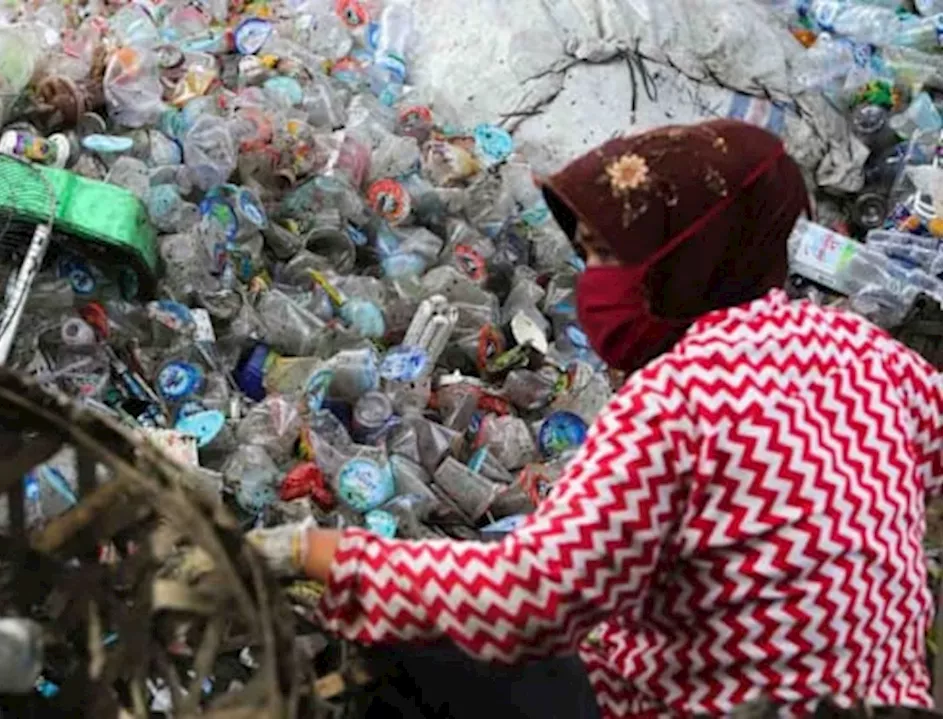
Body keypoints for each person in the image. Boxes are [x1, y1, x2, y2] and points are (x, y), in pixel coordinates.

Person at [250, 119, 944, 717]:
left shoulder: (678, 398)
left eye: (611, 254)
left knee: (414, 629)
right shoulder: (870, 354)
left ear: (688, 253)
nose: (594, 283)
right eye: (586, 255)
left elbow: (532, 597)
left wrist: (317, 553)